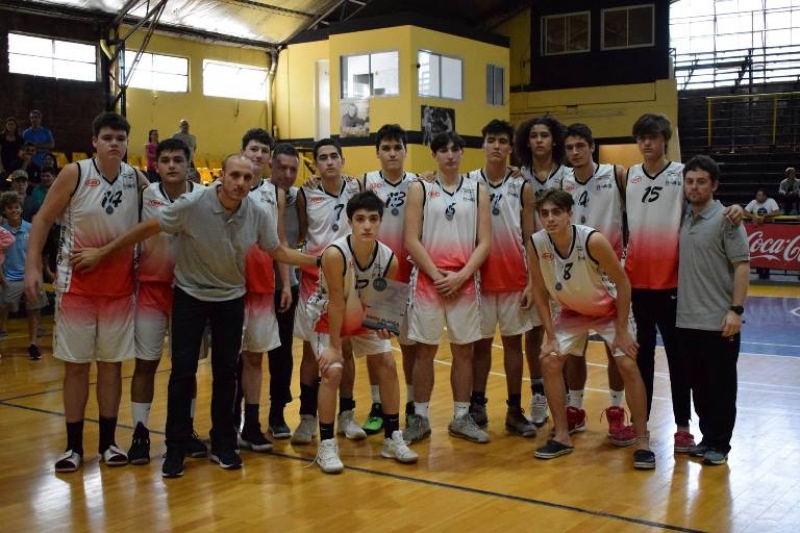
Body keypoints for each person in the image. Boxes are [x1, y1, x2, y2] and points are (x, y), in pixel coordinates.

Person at [70, 154, 318, 478]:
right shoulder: (194, 203)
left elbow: (279, 252)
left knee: (226, 374)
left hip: (230, 298)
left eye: (246, 177)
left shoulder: (256, 213)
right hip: (189, 296)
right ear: (221, 177)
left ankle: (223, 443)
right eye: (234, 176)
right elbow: (148, 227)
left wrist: (320, 260)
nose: (240, 183)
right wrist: (103, 252)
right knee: (182, 374)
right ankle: (175, 449)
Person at [24, 112, 149, 473]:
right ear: (94, 141)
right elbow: (43, 220)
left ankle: (109, 443)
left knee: (111, 368)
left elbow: (159, 217)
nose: (114, 143)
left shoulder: (135, 178)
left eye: (120, 139)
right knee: (76, 369)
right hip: (76, 288)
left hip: (120, 289)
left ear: (127, 144)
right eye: (107, 137)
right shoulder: (75, 173)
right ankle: (73, 447)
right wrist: (33, 266)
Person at [625, 113, 743, 453]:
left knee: (681, 363)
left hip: (673, 285)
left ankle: (682, 427)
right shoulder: (629, 176)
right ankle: (641, 425)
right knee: (641, 359)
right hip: (638, 284)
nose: (647, 143)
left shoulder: (681, 174)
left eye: (653, 137)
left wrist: (735, 207)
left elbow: (706, 198)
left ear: (664, 139)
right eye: (641, 137)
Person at [526, 189, 655, 470]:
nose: (550, 219)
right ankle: (562, 436)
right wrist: (549, 336)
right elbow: (538, 289)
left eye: (556, 212)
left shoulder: (592, 240)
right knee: (549, 361)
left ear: (570, 214)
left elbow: (623, 284)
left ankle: (643, 439)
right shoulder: (536, 243)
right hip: (572, 311)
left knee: (628, 364)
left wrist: (621, 331)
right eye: (544, 213)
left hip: (609, 309)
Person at [309, 191, 419, 473]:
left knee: (387, 362)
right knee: (333, 370)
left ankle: (392, 437)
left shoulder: (390, 259)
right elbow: (335, 302)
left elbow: (383, 308)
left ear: (380, 222)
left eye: (372, 219)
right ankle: (326, 444)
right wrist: (334, 346)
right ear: (350, 222)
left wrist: (385, 326)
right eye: (360, 219)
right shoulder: (335, 254)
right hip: (327, 316)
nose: (367, 225)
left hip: (361, 313)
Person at [402, 131, 492, 445]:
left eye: (455, 149)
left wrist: (462, 275)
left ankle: (461, 416)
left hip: (464, 282)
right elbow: (411, 239)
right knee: (424, 351)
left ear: (463, 153)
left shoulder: (477, 189)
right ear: (434, 155)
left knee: (463, 351)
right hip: (429, 281)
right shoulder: (420, 188)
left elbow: (485, 242)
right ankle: (421, 418)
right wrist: (437, 274)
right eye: (443, 150)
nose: (450, 155)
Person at [126, 138, 206, 466]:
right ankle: (140, 432)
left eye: (178, 159)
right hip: (150, 290)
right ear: (156, 166)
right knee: (146, 363)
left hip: (190, 292)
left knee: (186, 369)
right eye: (165, 160)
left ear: (189, 164)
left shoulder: (204, 197)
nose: (171, 165)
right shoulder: (146, 195)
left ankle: (185, 429)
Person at [556, 123, 632, 445]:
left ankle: (616, 410)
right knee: (575, 350)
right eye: (570, 147)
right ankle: (575, 409)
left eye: (580, 146)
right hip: (573, 276)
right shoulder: (563, 180)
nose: (575, 152)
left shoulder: (617, 175)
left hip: (609, 276)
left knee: (617, 350)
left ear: (592, 146)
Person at [466, 119, 538, 438]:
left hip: (513, 279)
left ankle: (513, 409)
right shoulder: (468, 183)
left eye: (502, 141)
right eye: (491, 139)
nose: (496, 145)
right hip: (479, 279)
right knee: (479, 347)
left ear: (510, 148)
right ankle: (477, 405)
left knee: (513, 346)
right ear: (482, 145)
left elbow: (529, 236)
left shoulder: (522, 185)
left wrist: (533, 281)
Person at [291, 138, 366, 445]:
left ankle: (347, 416)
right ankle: (307, 418)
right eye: (322, 157)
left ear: (342, 159)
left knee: (344, 350)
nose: (329, 162)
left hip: (347, 282)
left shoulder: (356, 187)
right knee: (311, 353)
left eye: (334, 156)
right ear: (315, 164)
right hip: (313, 282)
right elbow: (300, 234)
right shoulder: (305, 193)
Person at [677, 155, 749, 466]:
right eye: (690, 181)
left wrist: (736, 310)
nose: (694, 187)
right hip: (687, 320)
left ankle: (720, 444)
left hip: (720, 321)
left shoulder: (727, 219)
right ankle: (708, 439)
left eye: (701, 181)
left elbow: (742, 266)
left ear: (714, 185)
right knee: (700, 387)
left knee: (721, 388)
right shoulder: (682, 218)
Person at [359, 124, 418, 434]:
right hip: (380, 279)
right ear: (378, 152)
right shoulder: (367, 182)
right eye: (386, 148)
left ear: (405, 151)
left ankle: (409, 404)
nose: (392, 153)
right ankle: (378, 404)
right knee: (376, 348)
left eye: (397, 147)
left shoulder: (419, 184)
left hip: (411, 275)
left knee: (409, 346)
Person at [236, 128, 289, 452]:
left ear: (269, 159)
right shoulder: (223, 188)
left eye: (263, 151)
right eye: (253, 149)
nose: (258, 155)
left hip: (262, 288)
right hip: (228, 288)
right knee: (229, 361)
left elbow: (280, 241)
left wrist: (285, 282)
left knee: (256, 358)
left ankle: (252, 424)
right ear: (243, 150)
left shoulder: (275, 193)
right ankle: (227, 422)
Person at [514, 115, 568, 427]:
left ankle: (571, 400)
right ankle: (538, 394)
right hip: (534, 259)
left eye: (544, 135)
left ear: (553, 140)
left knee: (569, 335)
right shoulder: (518, 177)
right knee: (534, 332)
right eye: (533, 135)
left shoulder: (569, 176)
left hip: (567, 262)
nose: (538, 140)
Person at [266, 143, 303, 438]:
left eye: (293, 169)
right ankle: (242, 416)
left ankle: (277, 413)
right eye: (283, 168)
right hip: (253, 287)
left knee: (283, 353)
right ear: (270, 165)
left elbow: (298, 237)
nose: (288, 174)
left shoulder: (298, 200)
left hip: (286, 286)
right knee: (247, 356)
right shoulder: (251, 194)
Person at [0, 191, 47, 360]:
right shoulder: (1, 230)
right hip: (9, 279)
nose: (14, 210)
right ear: (4, 211)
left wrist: (39, 276)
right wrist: (2, 279)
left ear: (21, 209)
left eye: (17, 207)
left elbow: (38, 253)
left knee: (33, 311)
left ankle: (32, 344)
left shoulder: (31, 228)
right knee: (2, 308)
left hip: (30, 277)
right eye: (10, 208)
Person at [744, 188, 780, 280]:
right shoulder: (753, 202)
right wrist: (753, 217)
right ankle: (759, 269)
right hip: (757, 230)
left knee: (768, 250)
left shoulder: (771, 201)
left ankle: (767, 270)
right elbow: (745, 211)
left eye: (760, 195)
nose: (758, 197)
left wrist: (765, 216)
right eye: (757, 195)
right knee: (758, 249)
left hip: (769, 228)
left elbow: (777, 212)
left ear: (765, 196)